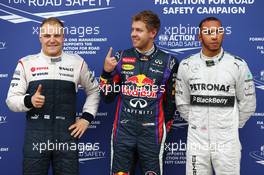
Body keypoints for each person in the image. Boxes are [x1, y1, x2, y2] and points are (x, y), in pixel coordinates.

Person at [6, 17, 100, 175]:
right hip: (36, 137)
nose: (52, 40)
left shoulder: (77, 62)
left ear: (63, 37)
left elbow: (94, 91)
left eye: (57, 35)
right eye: (47, 35)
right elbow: (11, 100)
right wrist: (29, 100)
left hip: (66, 137)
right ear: (40, 37)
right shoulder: (26, 63)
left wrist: (86, 118)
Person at [99, 10, 178, 175]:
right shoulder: (120, 57)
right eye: (132, 29)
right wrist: (106, 72)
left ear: (152, 33)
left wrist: (164, 126)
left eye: (139, 30)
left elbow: (172, 102)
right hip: (123, 132)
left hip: (152, 133)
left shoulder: (169, 62)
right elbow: (107, 97)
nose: (133, 34)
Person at [175, 17, 256, 175]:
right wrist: (197, 122)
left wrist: (229, 127)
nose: (214, 36)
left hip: (227, 141)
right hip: (197, 140)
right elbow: (182, 103)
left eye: (219, 32)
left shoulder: (237, 65)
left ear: (223, 35)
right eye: (209, 32)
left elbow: (248, 103)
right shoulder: (186, 65)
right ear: (199, 36)